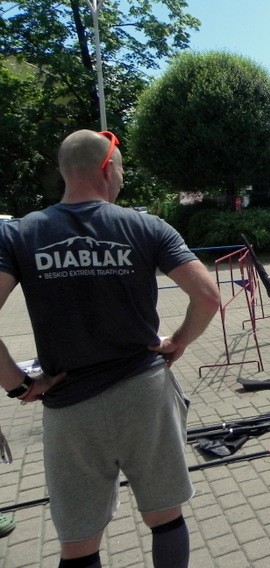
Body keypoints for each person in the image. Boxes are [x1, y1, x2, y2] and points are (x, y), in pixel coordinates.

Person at [0, 130, 220, 567]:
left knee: (79, 540)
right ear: (106, 168)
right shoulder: (146, 226)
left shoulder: (21, 233)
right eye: (120, 168)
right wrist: (178, 341)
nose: (122, 177)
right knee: (165, 516)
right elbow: (208, 297)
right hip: (144, 393)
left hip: (70, 407)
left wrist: (19, 385)